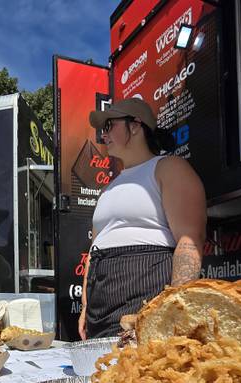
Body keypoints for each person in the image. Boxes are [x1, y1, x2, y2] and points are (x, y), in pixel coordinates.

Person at [79, 98, 207, 339]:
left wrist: (173, 310)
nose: (103, 134)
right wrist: (86, 308)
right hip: (99, 308)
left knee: (142, 373)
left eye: (109, 126)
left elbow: (190, 240)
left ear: (135, 125)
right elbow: (95, 247)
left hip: (146, 295)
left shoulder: (168, 167)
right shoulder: (108, 189)